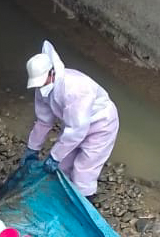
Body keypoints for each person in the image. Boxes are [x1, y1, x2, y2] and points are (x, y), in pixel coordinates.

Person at [24, 39, 119, 198]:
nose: (40, 86)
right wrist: (32, 148)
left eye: (42, 81)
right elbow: (43, 121)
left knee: (84, 170)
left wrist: (54, 156)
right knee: (63, 166)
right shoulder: (43, 89)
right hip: (74, 125)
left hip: (101, 125)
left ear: (51, 72)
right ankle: (64, 197)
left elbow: (77, 129)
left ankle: (86, 202)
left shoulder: (74, 89)